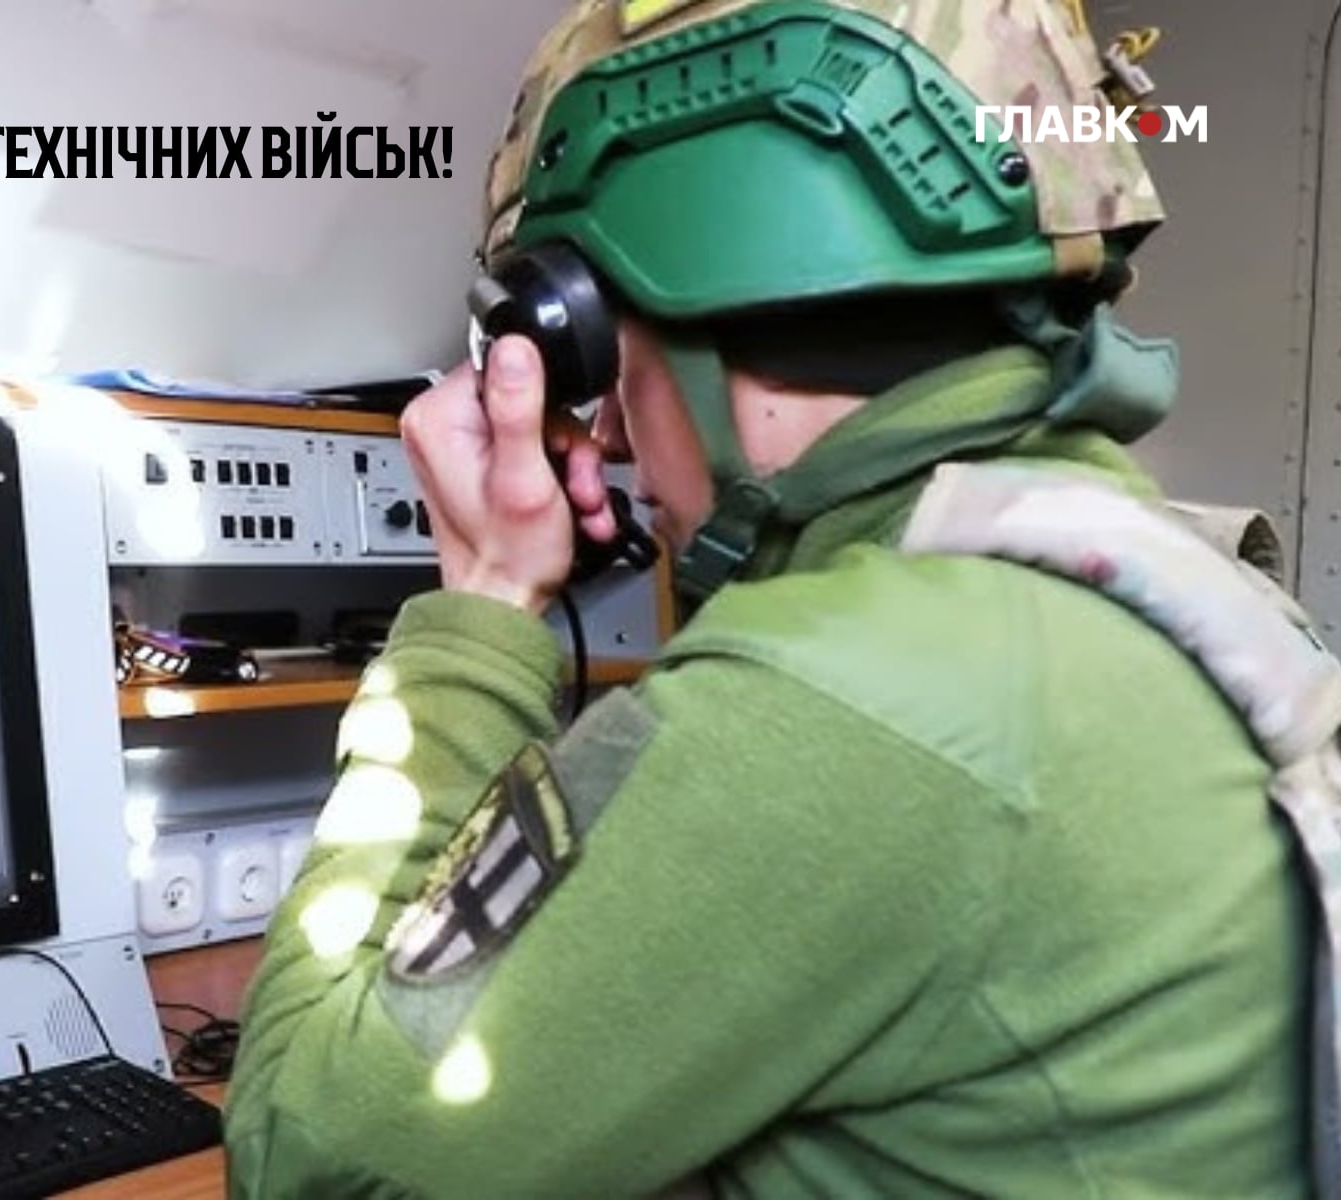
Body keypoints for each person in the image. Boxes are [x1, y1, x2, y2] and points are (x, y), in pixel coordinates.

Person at [224, 1, 1336, 1195]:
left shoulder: (846, 700)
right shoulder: (1167, 582)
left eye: (602, 360)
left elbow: (307, 1158)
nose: (609, 437)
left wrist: (483, 605)